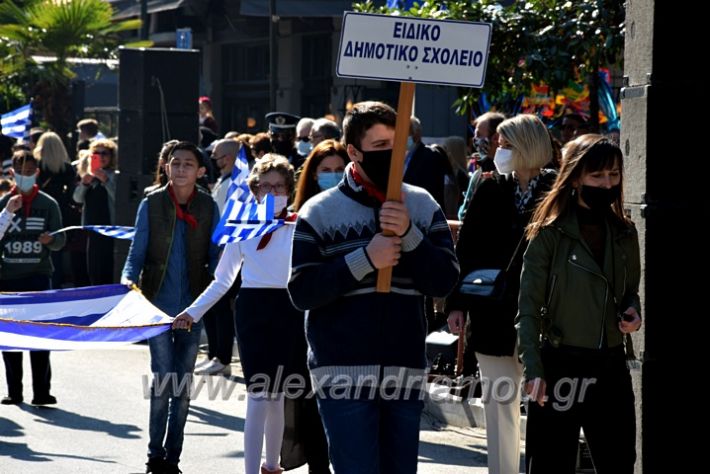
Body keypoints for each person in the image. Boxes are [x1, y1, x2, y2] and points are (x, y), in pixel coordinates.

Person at [288, 101, 460, 473]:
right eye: (380, 147)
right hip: (342, 374)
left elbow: (445, 279)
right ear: (353, 150)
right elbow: (302, 291)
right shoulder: (318, 212)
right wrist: (366, 258)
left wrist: (409, 235)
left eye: (396, 146)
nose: (391, 155)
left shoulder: (421, 204)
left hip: (403, 370)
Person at [516, 134, 642, 474]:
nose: (607, 183)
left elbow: (630, 292)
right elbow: (527, 308)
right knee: (549, 464)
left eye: (614, 174)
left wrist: (633, 313)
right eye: (597, 175)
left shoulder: (625, 233)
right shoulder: (548, 233)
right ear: (575, 177)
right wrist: (533, 370)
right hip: (560, 365)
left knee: (618, 463)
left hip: (610, 366)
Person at [172, 154, 303, 474]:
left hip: (291, 309)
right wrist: (193, 312)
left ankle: (272, 466)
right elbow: (223, 280)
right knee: (259, 393)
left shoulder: (301, 224)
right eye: (266, 186)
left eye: (280, 186)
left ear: (290, 188)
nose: (273, 192)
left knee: (278, 395)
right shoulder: (241, 226)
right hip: (253, 311)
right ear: (255, 190)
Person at [446, 114, 557, 474]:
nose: (499, 151)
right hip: (493, 314)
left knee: (548, 405)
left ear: (527, 147)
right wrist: (456, 305)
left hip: (545, 315)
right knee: (499, 404)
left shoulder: (559, 192)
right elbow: (467, 251)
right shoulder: (490, 188)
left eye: (506, 145)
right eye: (499, 144)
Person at [121, 141, 220, 474]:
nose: (181, 169)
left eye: (188, 164)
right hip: (157, 307)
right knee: (163, 381)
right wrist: (127, 282)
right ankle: (154, 455)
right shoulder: (151, 202)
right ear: (165, 168)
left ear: (201, 171)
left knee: (183, 385)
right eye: (175, 163)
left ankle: (173, 456)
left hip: (193, 307)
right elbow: (137, 251)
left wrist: (222, 288)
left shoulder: (207, 206)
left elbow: (216, 256)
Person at [0, 150, 65, 406]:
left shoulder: (49, 204)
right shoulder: (4, 203)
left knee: (39, 337)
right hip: (7, 278)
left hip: (38, 276)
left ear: (36, 173)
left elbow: (61, 240)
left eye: (29, 173)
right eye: (20, 173)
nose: (24, 177)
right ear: (11, 173)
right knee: (10, 338)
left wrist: (52, 240)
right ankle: (14, 391)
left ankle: (42, 391)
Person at [72, 139, 117, 285]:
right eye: (96, 153)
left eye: (105, 153)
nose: (101, 156)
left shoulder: (115, 176)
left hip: (110, 228)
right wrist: (84, 184)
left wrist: (106, 181)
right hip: (92, 230)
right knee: (93, 269)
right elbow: (77, 199)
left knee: (107, 268)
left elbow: (119, 199)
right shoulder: (88, 175)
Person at [292, 139, 347, 211]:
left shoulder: (358, 208)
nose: (333, 175)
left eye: (339, 170)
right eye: (326, 170)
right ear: (314, 173)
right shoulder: (300, 212)